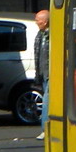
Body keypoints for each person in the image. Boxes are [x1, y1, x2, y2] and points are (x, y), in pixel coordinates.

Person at [33, 9, 50, 139]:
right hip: (44, 75)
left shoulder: (52, 35)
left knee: (46, 101)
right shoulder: (40, 35)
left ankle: (45, 129)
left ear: (45, 21)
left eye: (38, 19)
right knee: (47, 101)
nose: (36, 22)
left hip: (51, 75)